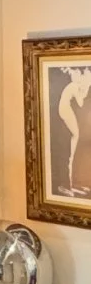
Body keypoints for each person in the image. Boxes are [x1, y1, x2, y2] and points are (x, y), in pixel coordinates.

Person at [56, 67, 91, 197]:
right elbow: (80, 103)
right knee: (76, 136)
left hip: (67, 108)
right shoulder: (74, 86)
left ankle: (74, 182)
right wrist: (85, 88)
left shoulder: (79, 85)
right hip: (64, 109)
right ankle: (69, 183)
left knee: (78, 138)